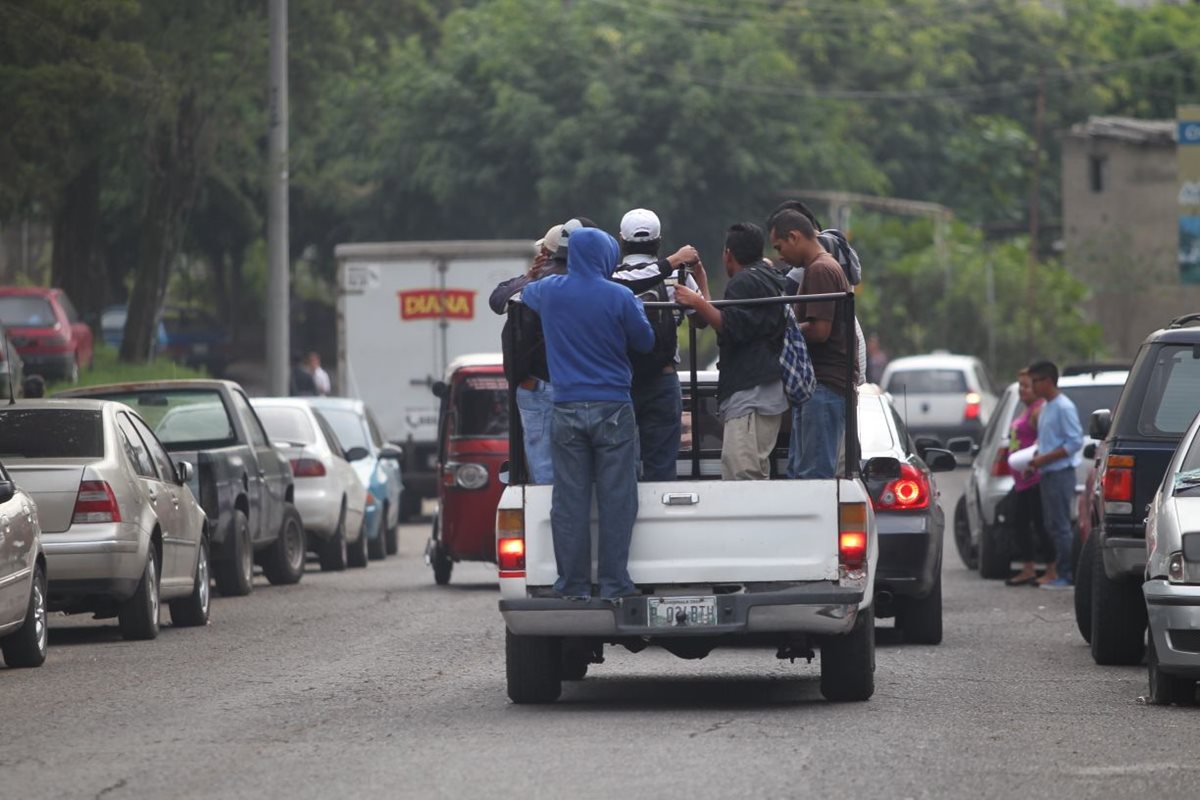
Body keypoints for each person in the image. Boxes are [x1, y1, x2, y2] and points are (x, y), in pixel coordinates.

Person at [520, 227, 655, 600]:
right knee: (617, 499)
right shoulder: (620, 296)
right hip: (613, 406)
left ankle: (573, 586)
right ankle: (614, 584)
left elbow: (521, 294)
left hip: (564, 407)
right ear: (606, 257)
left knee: (570, 502)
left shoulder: (549, 291)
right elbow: (644, 342)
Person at [676, 223, 787, 480]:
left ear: (728, 253)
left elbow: (730, 326)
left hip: (751, 394)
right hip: (766, 391)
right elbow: (729, 319)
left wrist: (695, 302)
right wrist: (701, 284)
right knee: (754, 468)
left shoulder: (743, 281)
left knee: (742, 471)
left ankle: (750, 521)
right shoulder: (766, 276)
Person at [610, 208, 707, 482]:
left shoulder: (611, 277)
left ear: (621, 240)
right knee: (662, 467)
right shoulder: (678, 276)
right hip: (663, 381)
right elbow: (701, 321)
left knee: (622, 466)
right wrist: (694, 275)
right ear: (658, 240)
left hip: (620, 382)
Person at [769, 209, 856, 479]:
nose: (780, 255)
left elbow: (820, 330)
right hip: (816, 388)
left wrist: (781, 331)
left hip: (825, 385)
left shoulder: (821, 269)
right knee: (799, 473)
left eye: (779, 246)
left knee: (813, 477)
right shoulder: (817, 268)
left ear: (794, 237)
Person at [491, 223, 571, 484]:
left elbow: (498, 300)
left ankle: (549, 521)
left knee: (544, 470)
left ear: (546, 254)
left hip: (540, 384)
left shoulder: (535, 287)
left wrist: (530, 277)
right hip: (580, 387)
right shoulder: (595, 282)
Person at [1027, 360, 1083, 589]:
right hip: (1048, 474)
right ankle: (1061, 572)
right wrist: (1036, 459)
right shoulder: (1047, 407)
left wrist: (1044, 459)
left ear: (1048, 381)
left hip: (1060, 474)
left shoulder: (1063, 407)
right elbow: (1049, 442)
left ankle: (1067, 575)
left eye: (1035, 381)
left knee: (1060, 526)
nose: (1033, 387)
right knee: (1052, 525)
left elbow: (1074, 442)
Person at [1005, 369, 1051, 586]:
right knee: (1019, 522)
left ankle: (1050, 568)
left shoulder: (1038, 411)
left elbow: (1044, 442)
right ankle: (1028, 567)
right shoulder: (1026, 411)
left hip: (1033, 479)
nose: (1022, 390)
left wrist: (1031, 463)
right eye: (1020, 386)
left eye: (1026, 386)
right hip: (1021, 481)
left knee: (1040, 524)